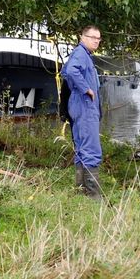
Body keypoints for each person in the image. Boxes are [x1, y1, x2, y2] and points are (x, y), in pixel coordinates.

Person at [61, 25, 104, 198]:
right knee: (91, 150)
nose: (96, 41)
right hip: (85, 107)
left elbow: (65, 71)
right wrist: (86, 88)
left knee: (81, 150)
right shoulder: (80, 54)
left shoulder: (84, 55)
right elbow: (70, 71)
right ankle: (94, 197)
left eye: (98, 38)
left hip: (80, 107)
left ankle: (80, 191)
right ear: (82, 37)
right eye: (93, 37)